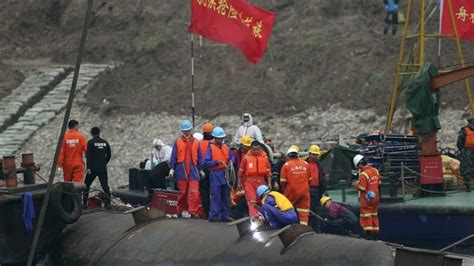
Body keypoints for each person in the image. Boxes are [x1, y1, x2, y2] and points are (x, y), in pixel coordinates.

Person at [169, 120, 205, 219]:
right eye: (185, 131)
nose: (187, 132)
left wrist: (200, 169)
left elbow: (200, 157)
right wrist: (172, 168)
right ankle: (180, 210)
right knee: (182, 192)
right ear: (182, 131)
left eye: (188, 130)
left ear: (191, 130)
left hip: (193, 170)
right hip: (181, 170)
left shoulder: (196, 142)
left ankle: (193, 211)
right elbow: (174, 156)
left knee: (194, 192)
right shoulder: (178, 142)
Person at [205, 127, 235, 222]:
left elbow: (231, 157)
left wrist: (231, 161)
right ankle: (213, 215)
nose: (220, 140)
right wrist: (216, 162)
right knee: (216, 195)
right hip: (215, 174)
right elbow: (206, 162)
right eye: (219, 138)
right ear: (214, 138)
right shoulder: (210, 148)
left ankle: (225, 215)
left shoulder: (226, 147)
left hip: (225, 173)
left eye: (221, 138)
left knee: (225, 195)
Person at [238, 140, 272, 217]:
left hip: (262, 182)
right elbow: (240, 172)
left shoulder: (264, 157)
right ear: (251, 148)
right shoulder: (246, 157)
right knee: (252, 201)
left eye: (257, 149)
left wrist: (269, 183)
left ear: (260, 149)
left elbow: (268, 172)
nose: (256, 151)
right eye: (254, 149)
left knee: (262, 200)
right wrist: (239, 184)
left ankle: (263, 218)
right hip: (249, 182)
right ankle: (254, 219)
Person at [280, 146, 311, 226]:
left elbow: (283, 181)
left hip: (292, 190)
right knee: (304, 211)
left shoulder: (286, 165)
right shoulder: (305, 164)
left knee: (286, 208)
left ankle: (289, 227)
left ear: (288, 156)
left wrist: (285, 190)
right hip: (305, 190)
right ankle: (304, 228)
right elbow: (310, 179)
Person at [353, 154, 381, 240]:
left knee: (366, 216)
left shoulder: (363, 174)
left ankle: (369, 236)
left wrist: (355, 185)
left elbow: (362, 187)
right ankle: (376, 236)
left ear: (359, 165)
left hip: (366, 200)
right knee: (374, 216)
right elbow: (379, 183)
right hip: (375, 198)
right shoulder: (375, 170)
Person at [83, 127, 112, 209]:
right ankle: (108, 203)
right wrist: (104, 163)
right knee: (105, 186)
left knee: (86, 185)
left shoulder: (91, 142)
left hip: (92, 169)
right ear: (99, 133)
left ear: (91, 133)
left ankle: (84, 204)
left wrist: (88, 167)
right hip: (102, 168)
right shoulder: (105, 142)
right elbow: (109, 155)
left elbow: (89, 156)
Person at [199, 123, 214, 216]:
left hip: (202, 169)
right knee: (212, 191)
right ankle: (213, 212)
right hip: (212, 169)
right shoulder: (214, 143)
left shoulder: (199, 143)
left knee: (203, 191)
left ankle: (207, 212)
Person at [457, 116, 474, 192]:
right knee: (466, 167)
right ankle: (467, 184)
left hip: (469, 150)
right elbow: (459, 142)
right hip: (466, 150)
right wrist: (462, 150)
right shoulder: (464, 131)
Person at [307, 145, 325, 210]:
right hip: (307, 189)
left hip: (317, 189)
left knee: (316, 207)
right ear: (309, 154)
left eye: (316, 154)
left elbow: (322, 178)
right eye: (313, 154)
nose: (315, 156)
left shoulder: (319, 165)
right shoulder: (305, 164)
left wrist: (323, 190)